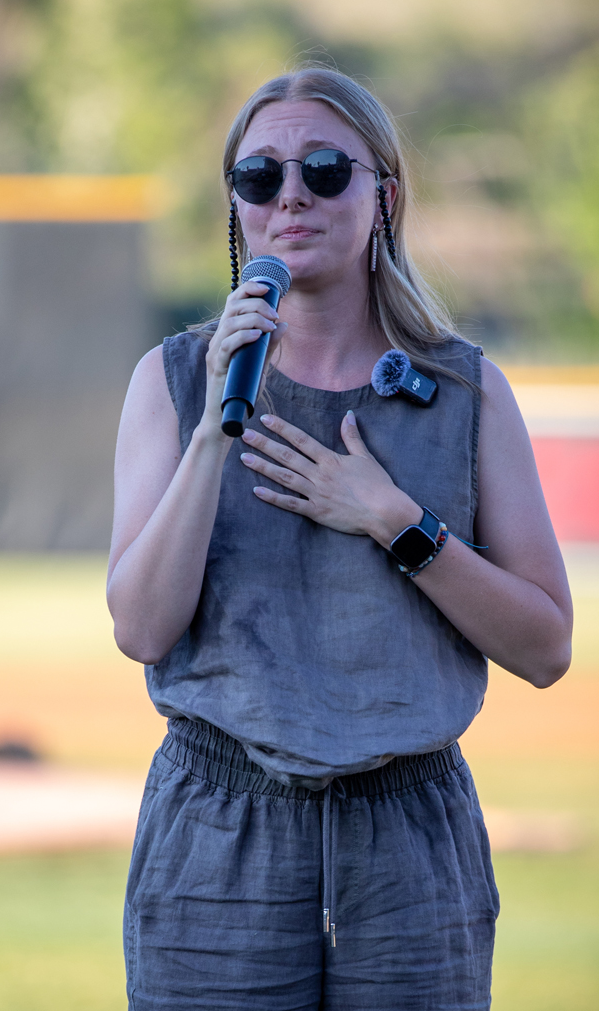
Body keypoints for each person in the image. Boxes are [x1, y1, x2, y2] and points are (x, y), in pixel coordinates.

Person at [107, 67, 572, 1011]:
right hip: (219, 835)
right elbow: (142, 629)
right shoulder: (174, 380)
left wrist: (394, 519)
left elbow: (546, 647)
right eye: (259, 176)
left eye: (324, 170)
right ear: (236, 205)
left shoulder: (467, 391)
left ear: (383, 196)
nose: (290, 196)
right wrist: (214, 433)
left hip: (409, 844)